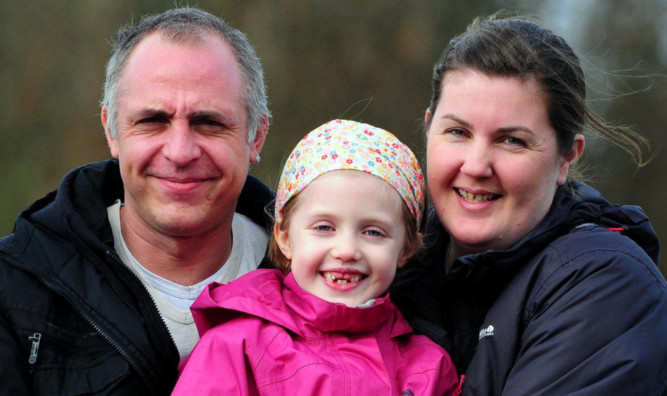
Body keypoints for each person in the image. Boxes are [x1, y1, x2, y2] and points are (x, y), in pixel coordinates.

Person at [0, 7, 273, 395]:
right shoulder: (14, 292)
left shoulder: (344, 285)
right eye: (152, 121)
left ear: (255, 137)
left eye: (209, 123)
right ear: (112, 130)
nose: (180, 152)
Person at [390, 14, 667, 396]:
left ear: (567, 157)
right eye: (458, 132)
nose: (475, 165)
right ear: (428, 127)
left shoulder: (607, 287)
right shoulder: (381, 258)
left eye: (512, 141)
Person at [172, 119, 460, 395]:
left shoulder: (428, 368)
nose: (346, 251)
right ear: (285, 237)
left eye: (373, 232)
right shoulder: (238, 346)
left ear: (406, 248)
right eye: (324, 227)